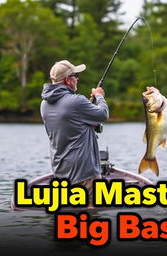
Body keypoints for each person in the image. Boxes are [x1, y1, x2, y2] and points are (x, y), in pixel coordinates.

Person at [40, 60, 109, 202]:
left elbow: (69, 125)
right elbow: (103, 114)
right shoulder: (76, 101)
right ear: (68, 80)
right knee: (92, 213)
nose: (77, 79)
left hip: (61, 171)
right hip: (85, 173)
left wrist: (89, 124)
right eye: (76, 75)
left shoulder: (44, 104)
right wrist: (99, 96)